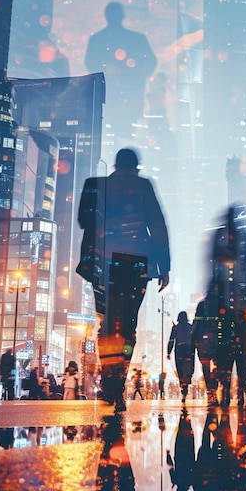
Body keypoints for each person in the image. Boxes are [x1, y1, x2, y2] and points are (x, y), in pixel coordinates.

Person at [77, 147, 170, 412]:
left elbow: (84, 220)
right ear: (136, 167)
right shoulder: (143, 186)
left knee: (107, 323)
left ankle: (110, 381)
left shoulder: (95, 185)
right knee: (128, 324)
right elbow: (158, 224)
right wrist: (164, 266)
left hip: (103, 264)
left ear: (115, 166)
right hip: (135, 264)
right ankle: (119, 381)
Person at [85, 1, 157, 143]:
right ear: (122, 15)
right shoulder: (137, 39)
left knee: (108, 138)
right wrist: (136, 76)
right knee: (125, 137)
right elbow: (151, 62)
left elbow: (90, 63)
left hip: (109, 100)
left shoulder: (97, 40)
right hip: (127, 99)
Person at [167, 311, 194, 404]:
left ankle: (183, 389)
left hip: (179, 352)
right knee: (188, 371)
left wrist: (168, 352)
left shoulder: (175, 328)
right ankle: (185, 389)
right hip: (189, 351)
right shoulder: (190, 327)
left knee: (181, 371)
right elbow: (194, 340)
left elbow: (171, 340)